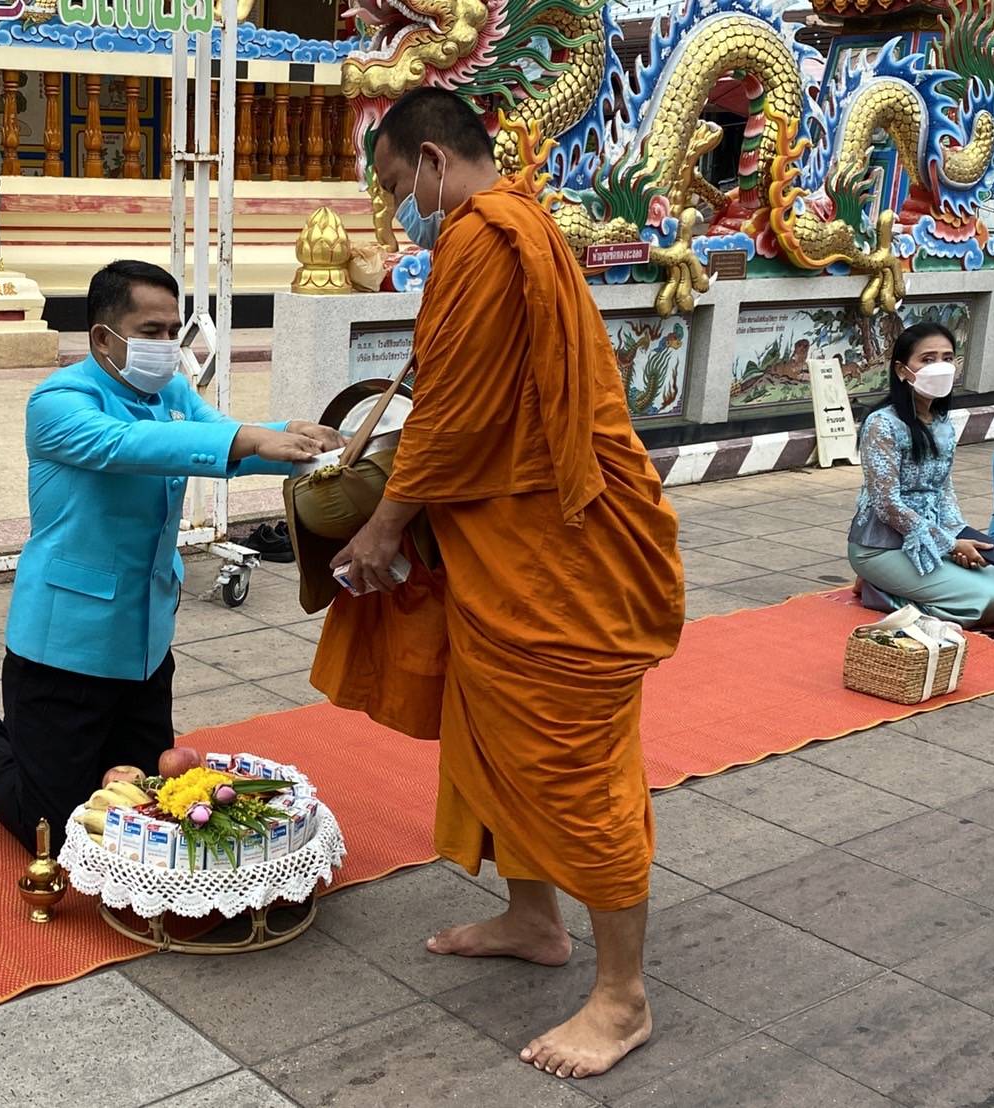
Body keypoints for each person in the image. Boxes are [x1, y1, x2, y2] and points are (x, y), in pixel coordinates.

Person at [310, 88, 685, 1079]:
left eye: (397, 187)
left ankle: (621, 997)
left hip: (562, 562)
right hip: (509, 542)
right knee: (488, 728)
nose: (399, 210)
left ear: (431, 160)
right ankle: (531, 918)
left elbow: (455, 417)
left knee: (570, 764)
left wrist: (384, 527)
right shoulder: (514, 227)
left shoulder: (484, 236)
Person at [0, 260, 341, 853]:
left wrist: (297, 438)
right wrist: (252, 439)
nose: (165, 345)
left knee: (145, 805)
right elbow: (127, 446)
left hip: (143, 643)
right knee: (53, 828)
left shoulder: (172, 392)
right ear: (104, 338)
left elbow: (221, 434)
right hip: (63, 648)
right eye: (150, 331)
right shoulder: (59, 401)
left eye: (171, 331)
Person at [849, 322, 994, 626]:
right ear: (902, 370)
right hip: (880, 546)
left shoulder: (942, 422)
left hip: (932, 538)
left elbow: (943, 490)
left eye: (947, 358)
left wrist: (959, 535)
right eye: (927, 359)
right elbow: (887, 505)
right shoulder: (882, 424)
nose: (940, 367)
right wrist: (948, 544)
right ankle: (878, 591)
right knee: (985, 602)